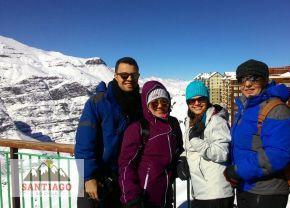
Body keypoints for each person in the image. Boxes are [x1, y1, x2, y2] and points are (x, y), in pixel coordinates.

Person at [224, 59, 290, 208]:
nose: (247, 84)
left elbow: (278, 153)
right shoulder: (246, 108)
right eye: (242, 79)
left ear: (265, 80)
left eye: (254, 78)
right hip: (246, 187)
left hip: (266, 192)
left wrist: (238, 171)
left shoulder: (275, 109)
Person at [74, 57, 142, 208]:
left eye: (134, 75)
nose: (129, 79)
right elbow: (83, 143)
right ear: (116, 76)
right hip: (97, 178)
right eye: (124, 75)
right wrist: (88, 176)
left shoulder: (140, 105)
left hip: (125, 178)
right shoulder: (97, 102)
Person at [118, 80, 183, 208]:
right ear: (147, 105)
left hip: (166, 196)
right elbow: (126, 165)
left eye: (164, 102)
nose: (159, 106)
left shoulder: (173, 124)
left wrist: (181, 160)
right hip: (144, 199)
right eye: (154, 103)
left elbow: (179, 149)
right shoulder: (137, 129)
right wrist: (131, 196)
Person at [176, 81, 234, 208]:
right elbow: (191, 148)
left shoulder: (216, 121)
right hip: (200, 190)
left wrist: (195, 141)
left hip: (216, 192)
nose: (196, 103)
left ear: (207, 99)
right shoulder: (192, 120)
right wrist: (183, 157)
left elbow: (222, 153)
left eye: (200, 99)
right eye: (192, 101)